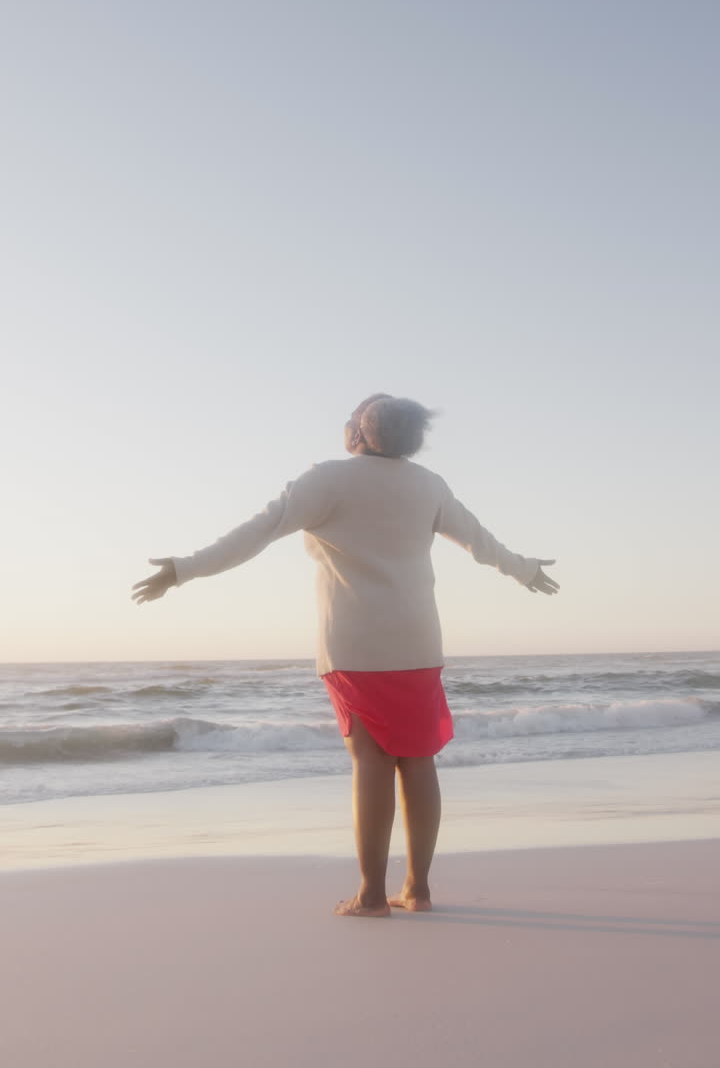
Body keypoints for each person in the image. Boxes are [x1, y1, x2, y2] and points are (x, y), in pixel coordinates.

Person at [132, 393, 559, 917]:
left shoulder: (327, 479)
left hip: (355, 643)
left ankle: (371, 895)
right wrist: (526, 570)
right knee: (418, 761)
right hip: (418, 642)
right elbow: (481, 542)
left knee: (371, 763)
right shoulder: (428, 484)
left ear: (358, 431)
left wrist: (183, 568)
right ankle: (417, 891)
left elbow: (256, 533)